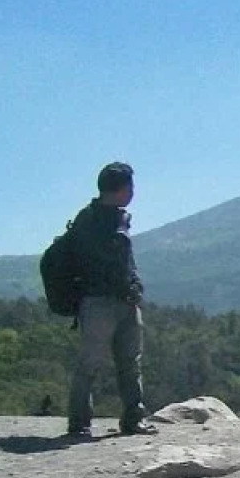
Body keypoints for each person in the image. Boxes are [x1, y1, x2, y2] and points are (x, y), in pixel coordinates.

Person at [66, 161, 153, 438]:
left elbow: (125, 260)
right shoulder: (90, 221)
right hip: (99, 301)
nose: (133, 192)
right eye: (131, 187)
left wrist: (134, 283)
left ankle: (133, 419)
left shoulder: (116, 219)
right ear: (122, 188)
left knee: (129, 361)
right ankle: (79, 423)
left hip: (124, 300)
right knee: (91, 363)